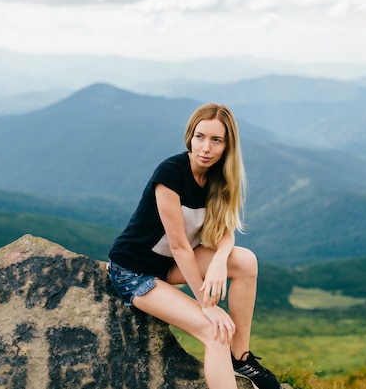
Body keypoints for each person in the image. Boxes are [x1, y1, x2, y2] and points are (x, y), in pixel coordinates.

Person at [107, 104, 280, 389]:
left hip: (167, 266)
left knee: (246, 261)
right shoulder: (171, 174)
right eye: (200, 137)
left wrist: (219, 261)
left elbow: (226, 231)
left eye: (216, 140)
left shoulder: (219, 176)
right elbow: (179, 246)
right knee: (214, 330)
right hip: (134, 273)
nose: (206, 148)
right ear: (190, 136)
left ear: (227, 146)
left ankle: (241, 357)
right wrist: (207, 304)